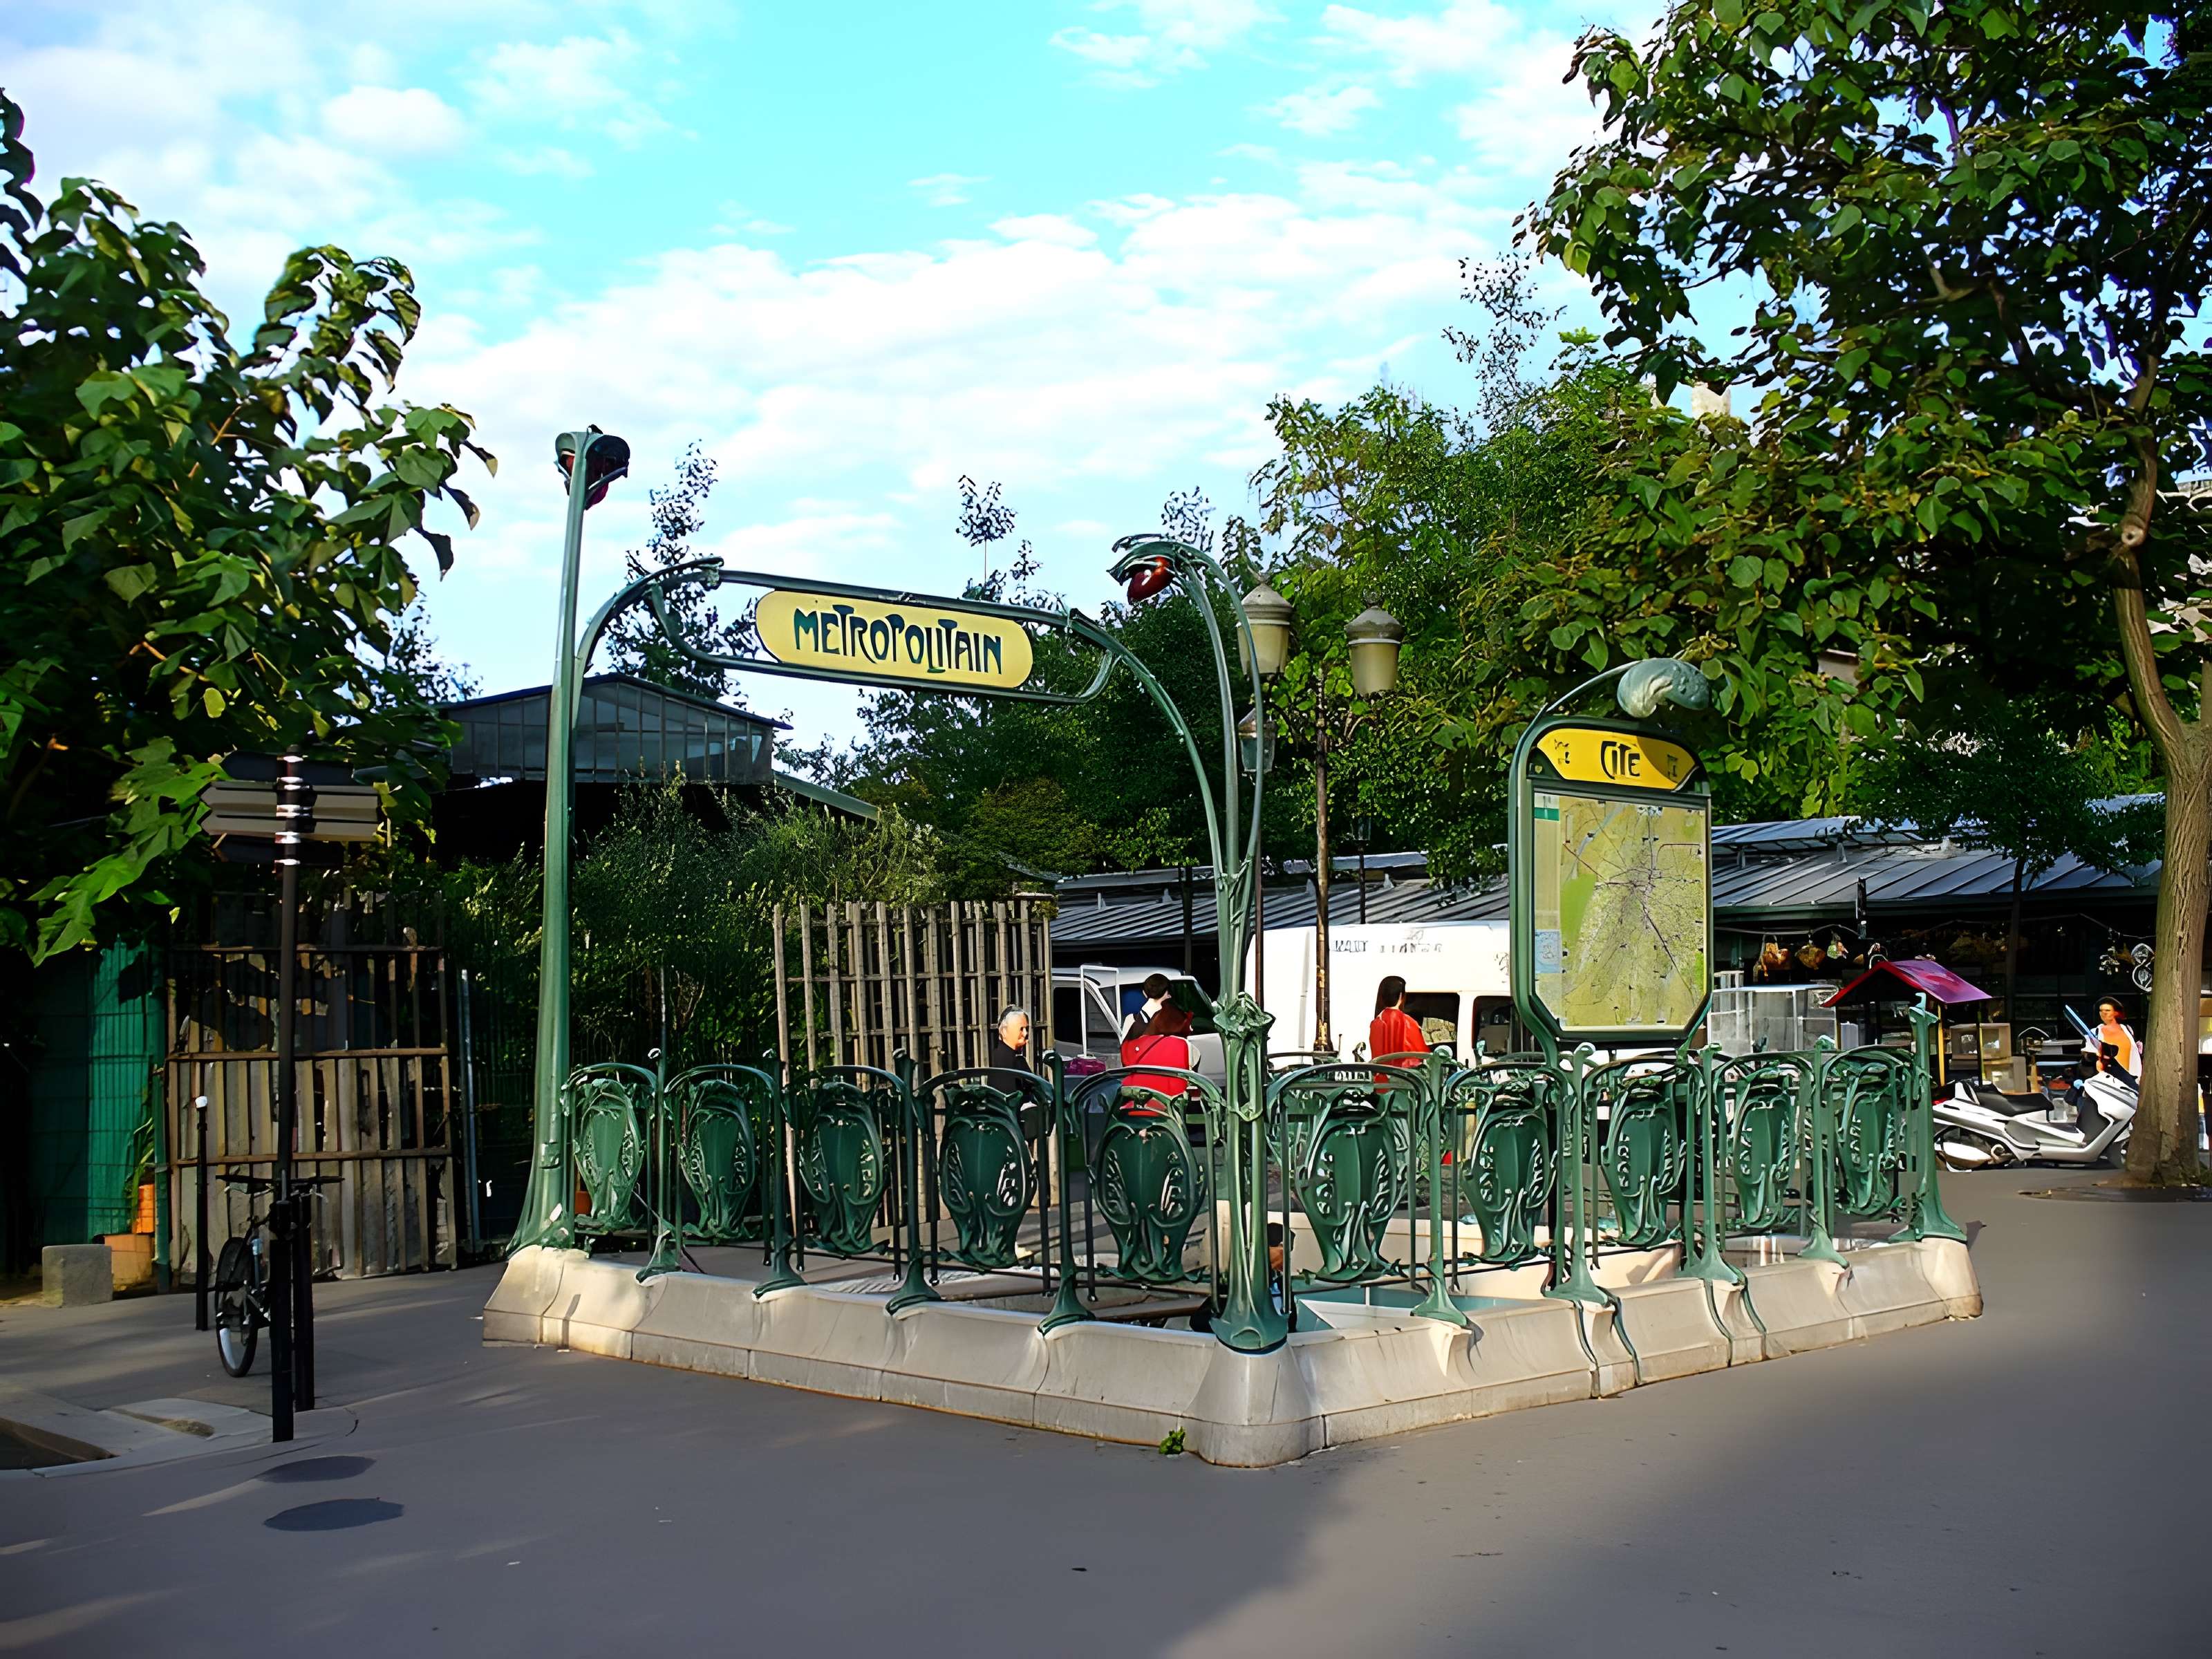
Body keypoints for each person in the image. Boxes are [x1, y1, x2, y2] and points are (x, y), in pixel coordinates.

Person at [1121, 1004, 1193, 1106]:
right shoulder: (1183, 1045)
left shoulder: (1133, 1044)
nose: (1191, 1029)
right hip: (1167, 1110)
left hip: (1133, 1107)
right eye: (1189, 1024)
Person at [1369, 975, 1427, 1065]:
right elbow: (1423, 1056)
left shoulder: (1375, 1023)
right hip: (1403, 1077)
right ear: (1401, 995)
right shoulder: (1408, 1022)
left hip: (1379, 1076)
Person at [1121, 972, 1191, 1040]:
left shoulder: (1131, 1019)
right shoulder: (1178, 1020)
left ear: (1144, 993)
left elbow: (1125, 1048)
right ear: (1168, 994)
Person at [2083, 996, 2139, 1082]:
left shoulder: (2128, 1029)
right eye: (2101, 1011)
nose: (2104, 1013)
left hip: (2134, 1075)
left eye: (2107, 1010)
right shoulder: (2094, 1033)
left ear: (2116, 1013)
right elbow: (2087, 1058)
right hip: (2109, 1078)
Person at [988, 1006, 1033, 1074]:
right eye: (1021, 1029)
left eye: (1026, 1029)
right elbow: (1035, 1083)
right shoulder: (1017, 1061)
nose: (1025, 1033)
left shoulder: (993, 1057)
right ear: (1004, 1031)